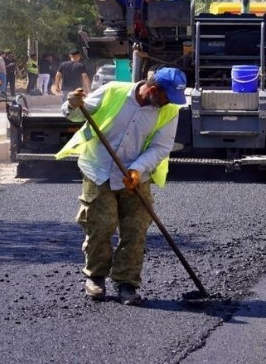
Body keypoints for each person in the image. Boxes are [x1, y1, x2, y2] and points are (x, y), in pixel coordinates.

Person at [56, 67, 188, 306]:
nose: (169, 103)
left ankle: (127, 284)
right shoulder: (112, 91)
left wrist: (137, 169)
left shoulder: (168, 111)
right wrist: (73, 105)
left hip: (136, 176)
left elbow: (160, 146)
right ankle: (96, 278)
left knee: (136, 229)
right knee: (101, 225)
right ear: (152, 90)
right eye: (167, 97)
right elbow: (76, 116)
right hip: (99, 170)